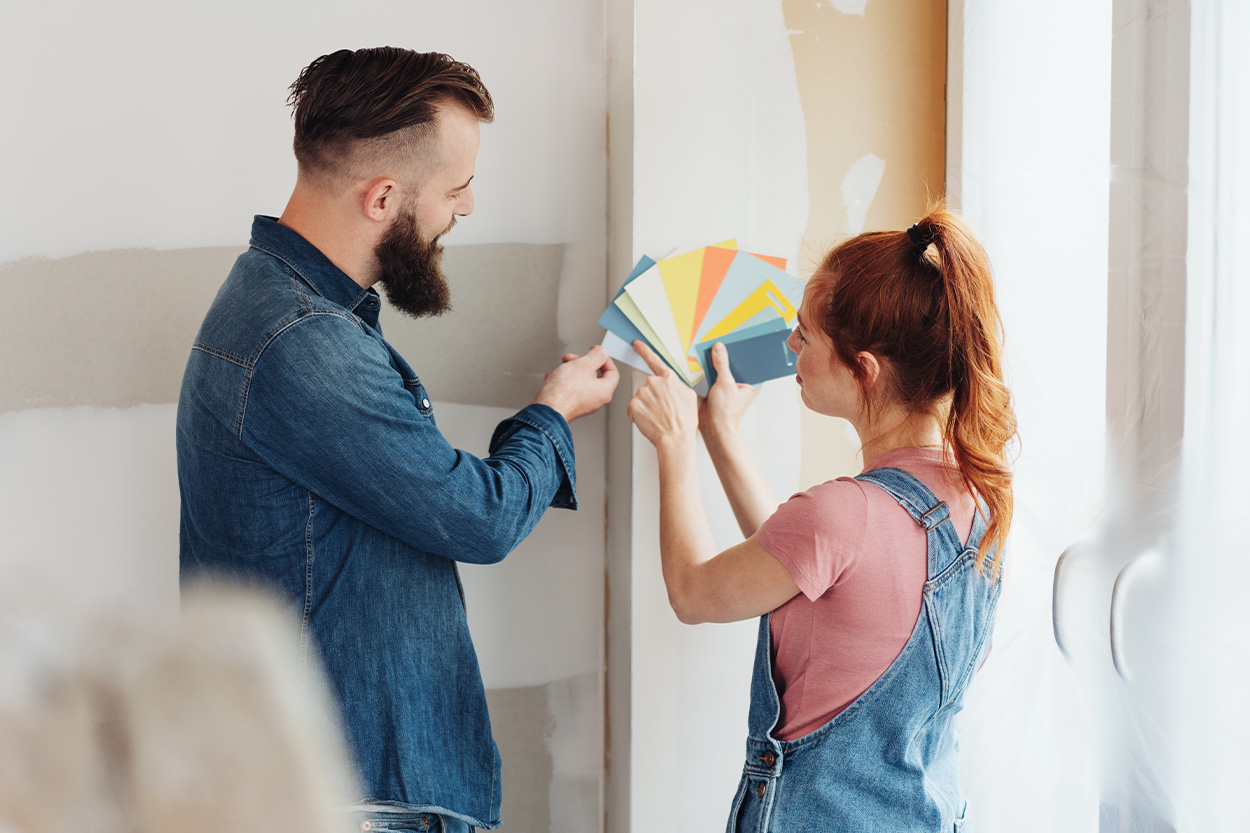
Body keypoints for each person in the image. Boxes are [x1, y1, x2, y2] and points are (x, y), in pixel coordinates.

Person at [177, 47, 619, 833]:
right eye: (456, 189)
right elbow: (475, 517)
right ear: (383, 197)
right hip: (354, 798)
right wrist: (551, 413)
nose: (468, 207)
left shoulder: (282, 307)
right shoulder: (303, 342)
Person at [628, 206, 1017, 831]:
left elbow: (693, 593)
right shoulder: (979, 500)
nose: (789, 346)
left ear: (863, 368)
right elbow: (798, 570)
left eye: (804, 335)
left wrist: (674, 447)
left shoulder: (844, 514)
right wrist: (720, 432)